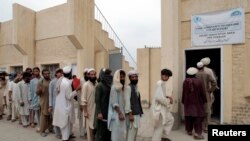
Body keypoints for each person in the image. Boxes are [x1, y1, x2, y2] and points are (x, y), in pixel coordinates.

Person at [53, 66, 80, 141]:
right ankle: (65, 138)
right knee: (65, 124)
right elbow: (69, 96)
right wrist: (77, 90)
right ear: (70, 73)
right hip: (65, 106)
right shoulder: (66, 83)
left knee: (67, 123)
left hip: (61, 106)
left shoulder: (60, 80)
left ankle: (68, 136)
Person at [182, 67, 207, 139]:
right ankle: (197, 133)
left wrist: (183, 100)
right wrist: (204, 100)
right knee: (198, 117)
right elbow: (203, 92)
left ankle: (189, 130)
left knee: (189, 115)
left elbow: (183, 92)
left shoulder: (185, 81)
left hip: (188, 102)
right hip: (197, 102)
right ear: (195, 74)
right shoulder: (199, 81)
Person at [151, 68, 174, 141]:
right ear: (161, 75)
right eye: (165, 76)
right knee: (158, 128)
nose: (167, 77)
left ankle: (163, 137)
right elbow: (159, 98)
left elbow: (161, 95)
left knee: (170, 120)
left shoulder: (162, 83)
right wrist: (168, 101)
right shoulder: (159, 83)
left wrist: (167, 97)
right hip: (159, 109)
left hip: (163, 108)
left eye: (168, 76)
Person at [196, 62, 217, 133]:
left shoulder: (195, 75)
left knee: (199, 111)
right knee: (207, 111)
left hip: (198, 95)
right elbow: (214, 82)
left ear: (197, 68)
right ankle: (206, 128)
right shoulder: (207, 74)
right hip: (206, 94)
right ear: (203, 67)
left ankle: (200, 127)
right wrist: (210, 90)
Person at [108, 69, 127, 141]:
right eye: (120, 77)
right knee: (116, 136)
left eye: (123, 77)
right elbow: (114, 103)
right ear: (117, 77)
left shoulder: (121, 87)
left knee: (121, 135)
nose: (122, 79)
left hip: (121, 114)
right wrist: (120, 113)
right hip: (116, 115)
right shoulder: (114, 88)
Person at [94, 68, 113, 141]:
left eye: (109, 74)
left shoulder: (109, 85)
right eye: (107, 74)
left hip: (108, 112)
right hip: (101, 113)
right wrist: (99, 112)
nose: (109, 76)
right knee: (100, 133)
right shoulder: (99, 86)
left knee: (108, 133)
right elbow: (97, 100)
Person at [125, 70, 143, 141]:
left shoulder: (136, 87)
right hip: (132, 114)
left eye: (136, 77)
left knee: (134, 133)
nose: (135, 78)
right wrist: (130, 114)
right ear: (130, 78)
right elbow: (127, 101)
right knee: (131, 134)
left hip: (136, 114)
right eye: (133, 77)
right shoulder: (128, 87)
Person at [81, 68, 97, 141]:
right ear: (89, 75)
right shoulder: (86, 85)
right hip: (88, 110)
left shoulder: (97, 84)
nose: (93, 76)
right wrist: (85, 112)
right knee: (89, 129)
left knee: (95, 129)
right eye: (91, 75)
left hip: (96, 110)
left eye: (94, 74)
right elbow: (83, 100)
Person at [37, 69, 52, 137]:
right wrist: (39, 90)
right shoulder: (40, 81)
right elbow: (37, 93)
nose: (47, 75)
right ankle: (42, 131)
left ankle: (50, 128)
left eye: (48, 73)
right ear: (42, 74)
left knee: (50, 116)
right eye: (45, 74)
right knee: (44, 116)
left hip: (51, 101)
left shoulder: (51, 80)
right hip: (44, 101)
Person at [49, 68, 63, 139]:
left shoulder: (64, 81)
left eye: (61, 72)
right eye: (58, 72)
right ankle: (57, 133)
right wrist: (50, 105)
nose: (60, 74)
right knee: (55, 119)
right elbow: (50, 94)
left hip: (62, 104)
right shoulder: (52, 82)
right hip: (54, 104)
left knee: (62, 119)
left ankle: (62, 132)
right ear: (56, 74)